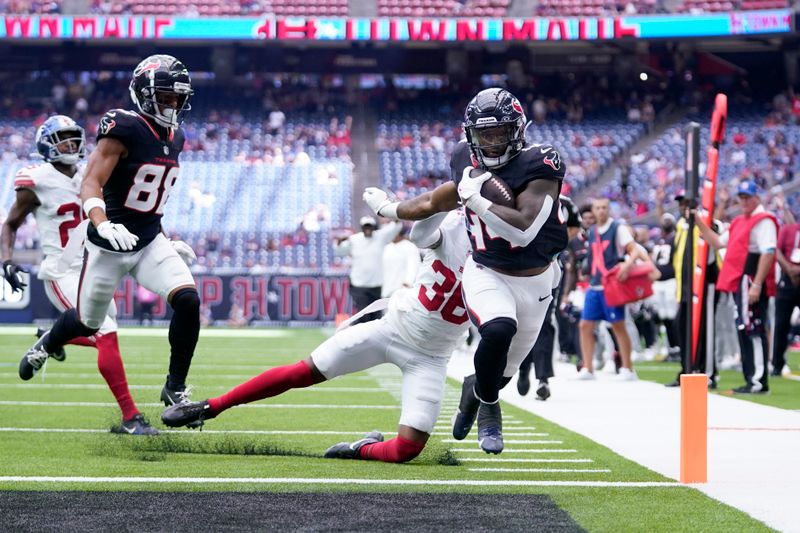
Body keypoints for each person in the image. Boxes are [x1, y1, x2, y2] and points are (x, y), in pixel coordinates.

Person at [162, 210, 471, 463]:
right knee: (304, 371)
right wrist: (441, 197)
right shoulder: (455, 223)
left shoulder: (513, 251)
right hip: (392, 328)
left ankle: (359, 449)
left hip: (431, 357)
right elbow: (420, 231)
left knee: (407, 449)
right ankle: (210, 406)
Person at [363, 87, 567, 454]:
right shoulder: (463, 157)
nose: (490, 143)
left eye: (499, 133)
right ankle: (490, 407)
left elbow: (523, 229)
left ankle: (478, 391)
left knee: (501, 372)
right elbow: (432, 200)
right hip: (486, 269)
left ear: (517, 130)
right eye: (483, 135)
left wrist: (475, 198)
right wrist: (390, 210)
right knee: (498, 328)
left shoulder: (542, 163)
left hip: (536, 277)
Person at [18, 55, 203, 414]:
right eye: (165, 97)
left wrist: (167, 236)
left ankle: (175, 388)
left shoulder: (176, 136)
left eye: (177, 98)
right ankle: (47, 342)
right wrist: (101, 223)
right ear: (144, 94)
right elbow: (92, 182)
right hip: (106, 244)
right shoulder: (123, 125)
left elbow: (148, 199)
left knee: (188, 300)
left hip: (148, 240)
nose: (172, 104)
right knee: (88, 321)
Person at [1, 115, 156, 435]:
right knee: (106, 331)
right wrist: (6, 261)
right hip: (61, 271)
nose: (71, 145)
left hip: (92, 266)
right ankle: (130, 417)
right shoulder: (36, 179)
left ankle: (52, 337)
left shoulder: (91, 173)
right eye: (63, 139)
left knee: (104, 331)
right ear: (47, 144)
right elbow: (10, 224)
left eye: (74, 138)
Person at [695, 180, 777, 394]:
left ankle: (758, 380)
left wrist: (757, 283)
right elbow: (718, 242)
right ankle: (751, 378)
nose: (744, 201)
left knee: (754, 328)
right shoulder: (740, 221)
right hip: (741, 281)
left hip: (750, 279)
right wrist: (699, 223)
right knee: (744, 328)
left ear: (756, 198)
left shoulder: (763, 221)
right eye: (741, 198)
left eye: (747, 197)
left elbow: (768, 252)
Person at [577, 198, 653, 381]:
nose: (601, 211)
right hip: (595, 284)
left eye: (604, 208)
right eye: (598, 208)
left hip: (611, 284)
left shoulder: (617, 228)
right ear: (593, 211)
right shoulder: (593, 230)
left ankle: (627, 368)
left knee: (618, 325)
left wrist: (626, 266)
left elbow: (633, 250)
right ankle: (588, 368)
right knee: (585, 325)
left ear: (609, 210)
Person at [516, 195, 582, 401]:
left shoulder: (566, 203)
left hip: (550, 266)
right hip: (520, 266)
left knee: (544, 321)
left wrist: (556, 243)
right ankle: (523, 366)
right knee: (521, 319)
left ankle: (543, 378)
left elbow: (575, 226)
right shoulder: (523, 193)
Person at [661, 190, 722, 387]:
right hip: (685, 287)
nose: (683, 207)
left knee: (704, 329)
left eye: (687, 203)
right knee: (682, 328)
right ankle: (687, 369)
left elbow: (714, 245)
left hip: (704, 284)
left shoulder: (707, 222)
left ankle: (708, 373)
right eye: (680, 203)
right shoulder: (681, 225)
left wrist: (702, 221)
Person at [334, 216, 401, 324]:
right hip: (359, 284)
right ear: (362, 228)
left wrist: (392, 212)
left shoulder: (380, 236)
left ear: (374, 227)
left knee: (376, 317)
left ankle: (363, 335)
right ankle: (352, 332)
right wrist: (339, 242)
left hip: (377, 285)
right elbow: (339, 251)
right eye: (366, 226)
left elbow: (396, 226)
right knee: (364, 314)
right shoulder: (355, 239)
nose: (368, 229)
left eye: (370, 226)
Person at [773, 213, 800, 376]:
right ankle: (777, 364)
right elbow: (777, 251)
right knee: (781, 324)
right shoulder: (788, 230)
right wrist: (789, 269)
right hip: (787, 280)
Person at [381, 226, 420, 298]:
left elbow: (414, 266)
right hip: (387, 291)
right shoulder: (387, 247)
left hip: (403, 291)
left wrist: (408, 283)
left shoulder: (410, 246)